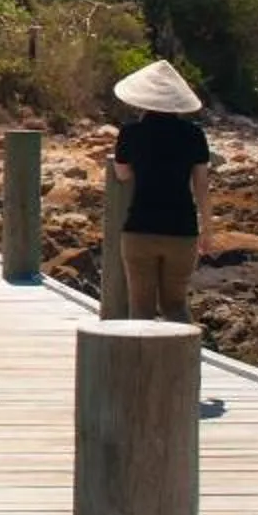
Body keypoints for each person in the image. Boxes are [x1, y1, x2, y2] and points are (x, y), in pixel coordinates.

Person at [107, 59, 213, 321]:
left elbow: (122, 174)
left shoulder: (131, 134)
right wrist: (208, 229)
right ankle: (183, 361)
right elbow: (201, 185)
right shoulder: (193, 135)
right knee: (175, 306)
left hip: (140, 228)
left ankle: (138, 362)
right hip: (182, 230)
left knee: (141, 308)